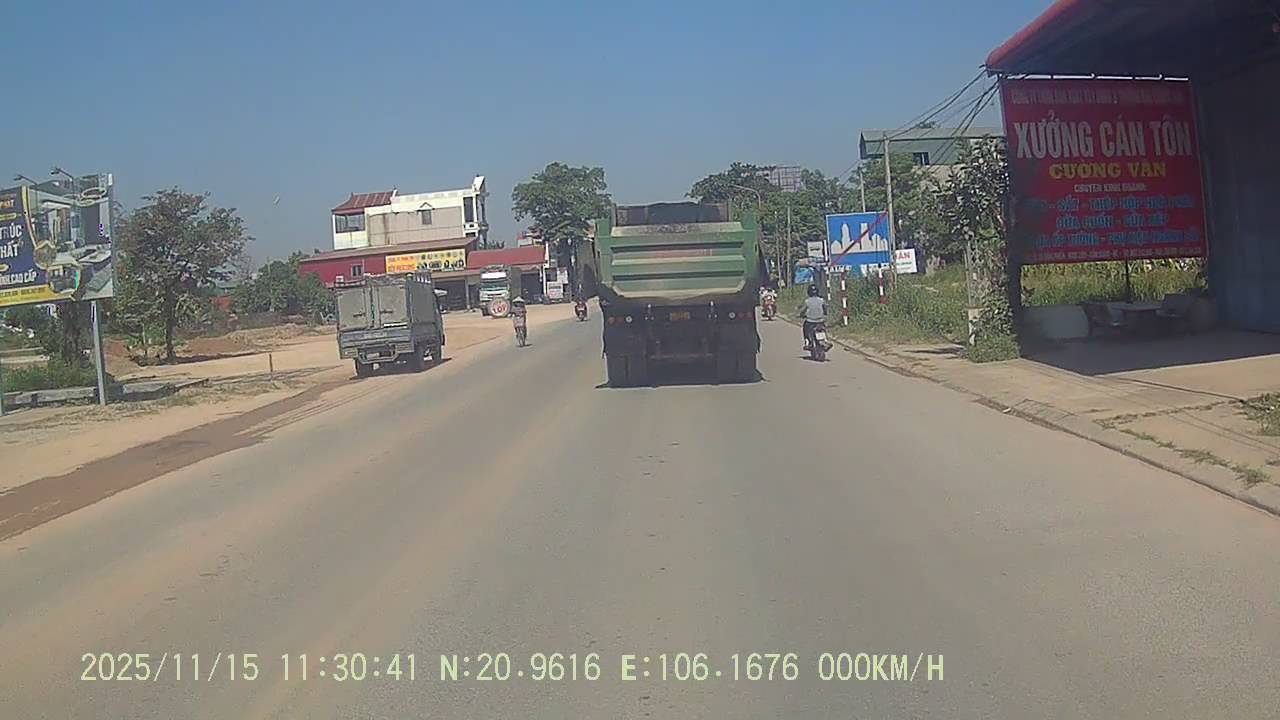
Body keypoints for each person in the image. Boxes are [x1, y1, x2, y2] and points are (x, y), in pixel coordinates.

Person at [798, 284, 827, 350]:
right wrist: (825, 314)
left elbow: (803, 310)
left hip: (810, 321)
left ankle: (807, 342)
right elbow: (825, 309)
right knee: (823, 328)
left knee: (805, 329)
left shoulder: (807, 301)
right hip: (820, 321)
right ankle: (825, 340)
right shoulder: (821, 300)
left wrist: (801, 315)